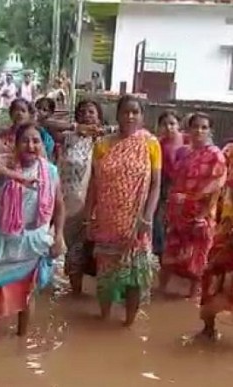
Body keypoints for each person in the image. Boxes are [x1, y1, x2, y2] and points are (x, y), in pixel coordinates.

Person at [0, 123, 66, 343]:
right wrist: (16, 176)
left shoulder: (50, 171)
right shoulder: (4, 167)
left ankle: (22, 339)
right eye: (25, 140)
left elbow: (59, 206)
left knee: (27, 293)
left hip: (34, 242)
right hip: (5, 243)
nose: (31, 145)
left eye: (36, 141)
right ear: (16, 144)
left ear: (42, 144)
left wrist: (59, 236)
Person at [85, 95, 161, 326]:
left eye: (135, 112)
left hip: (137, 221)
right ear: (117, 115)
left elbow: (156, 184)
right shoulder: (102, 145)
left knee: (135, 276)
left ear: (142, 116)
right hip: (107, 220)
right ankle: (104, 317)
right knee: (106, 275)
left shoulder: (150, 143)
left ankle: (129, 322)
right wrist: (88, 218)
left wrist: (147, 217)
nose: (130, 116)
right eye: (125, 112)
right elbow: (94, 184)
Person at [161, 113, 226, 298]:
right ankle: (159, 293)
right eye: (195, 126)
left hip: (200, 216)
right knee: (169, 258)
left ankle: (192, 299)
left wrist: (202, 216)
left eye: (204, 127)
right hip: (178, 214)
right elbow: (176, 183)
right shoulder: (185, 153)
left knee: (197, 262)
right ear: (188, 130)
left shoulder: (216, 155)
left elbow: (216, 187)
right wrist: (171, 210)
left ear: (210, 131)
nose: (199, 131)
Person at [59, 100, 106, 295]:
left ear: (99, 116)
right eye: (83, 112)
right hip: (71, 202)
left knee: (102, 251)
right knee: (74, 250)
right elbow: (42, 122)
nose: (87, 115)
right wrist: (76, 128)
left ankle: (100, 300)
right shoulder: (69, 137)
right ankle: (75, 294)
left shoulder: (108, 139)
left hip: (101, 204)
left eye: (91, 112)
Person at [199, 139, 233, 340]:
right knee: (212, 276)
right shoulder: (228, 151)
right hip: (225, 228)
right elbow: (217, 186)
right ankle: (208, 330)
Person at [153, 110, 184, 258]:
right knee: (159, 216)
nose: (168, 127)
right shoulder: (159, 143)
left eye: (172, 123)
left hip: (181, 184)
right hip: (163, 183)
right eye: (164, 124)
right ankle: (160, 248)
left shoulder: (186, 141)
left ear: (179, 125)